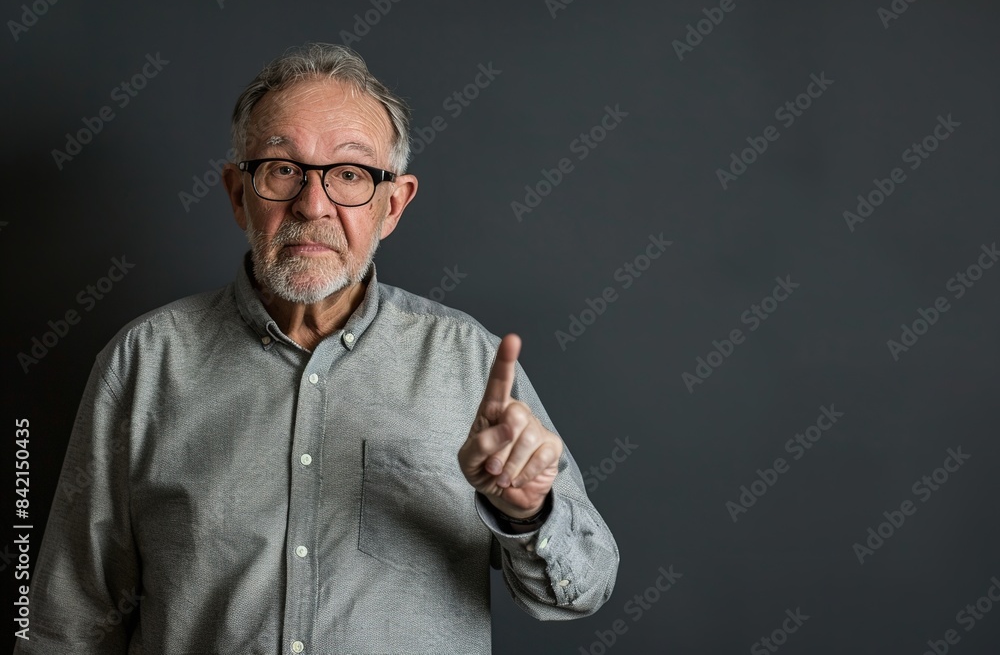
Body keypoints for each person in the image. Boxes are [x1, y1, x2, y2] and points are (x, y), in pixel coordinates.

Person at [16, 43, 619, 655]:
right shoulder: (142, 364)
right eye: (282, 169)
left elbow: (580, 590)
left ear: (394, 204)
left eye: (350, 174)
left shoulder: (468, 363)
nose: (313, 204)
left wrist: (526, 515)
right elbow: (68, 620)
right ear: (237, 193)